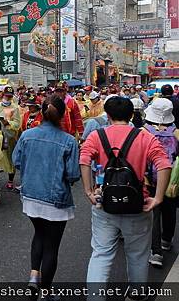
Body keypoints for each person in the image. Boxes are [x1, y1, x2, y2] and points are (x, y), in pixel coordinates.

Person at [80, 97, 171, 300]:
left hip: (104, 204)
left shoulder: (97, 135)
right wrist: (158, 198)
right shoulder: (145, 137)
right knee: (138, 254)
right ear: (132, 115)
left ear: (108, 115)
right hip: (138, 205)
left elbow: (84, 159)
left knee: (101, 254)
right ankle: (136, 294)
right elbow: (164, 164)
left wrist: (88, 191)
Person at [13, 96, 79, 296]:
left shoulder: (27, 135)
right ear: (62, 115)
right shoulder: (69, 140)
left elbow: (17, 161)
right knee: (52, 245)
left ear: (41, 113)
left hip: (31, 195)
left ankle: (34, 275)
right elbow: (73, 174)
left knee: (39, 234)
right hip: (56, 200)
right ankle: (46, 292)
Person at [142, 98, 179, 267]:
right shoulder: (176, 133)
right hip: (171, 180)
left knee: (153, 214)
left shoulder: (143, 132)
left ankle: (156, 252)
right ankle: (166, 240)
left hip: (149, 180)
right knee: (170, 209)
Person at [0, 86, 21, 190]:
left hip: (9, 136)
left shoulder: (15, 108)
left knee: (9, 157)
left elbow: (18, 123)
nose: (7, 98)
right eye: (6, 96)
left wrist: (8, 122)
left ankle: (10, 179)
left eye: (9, 97)